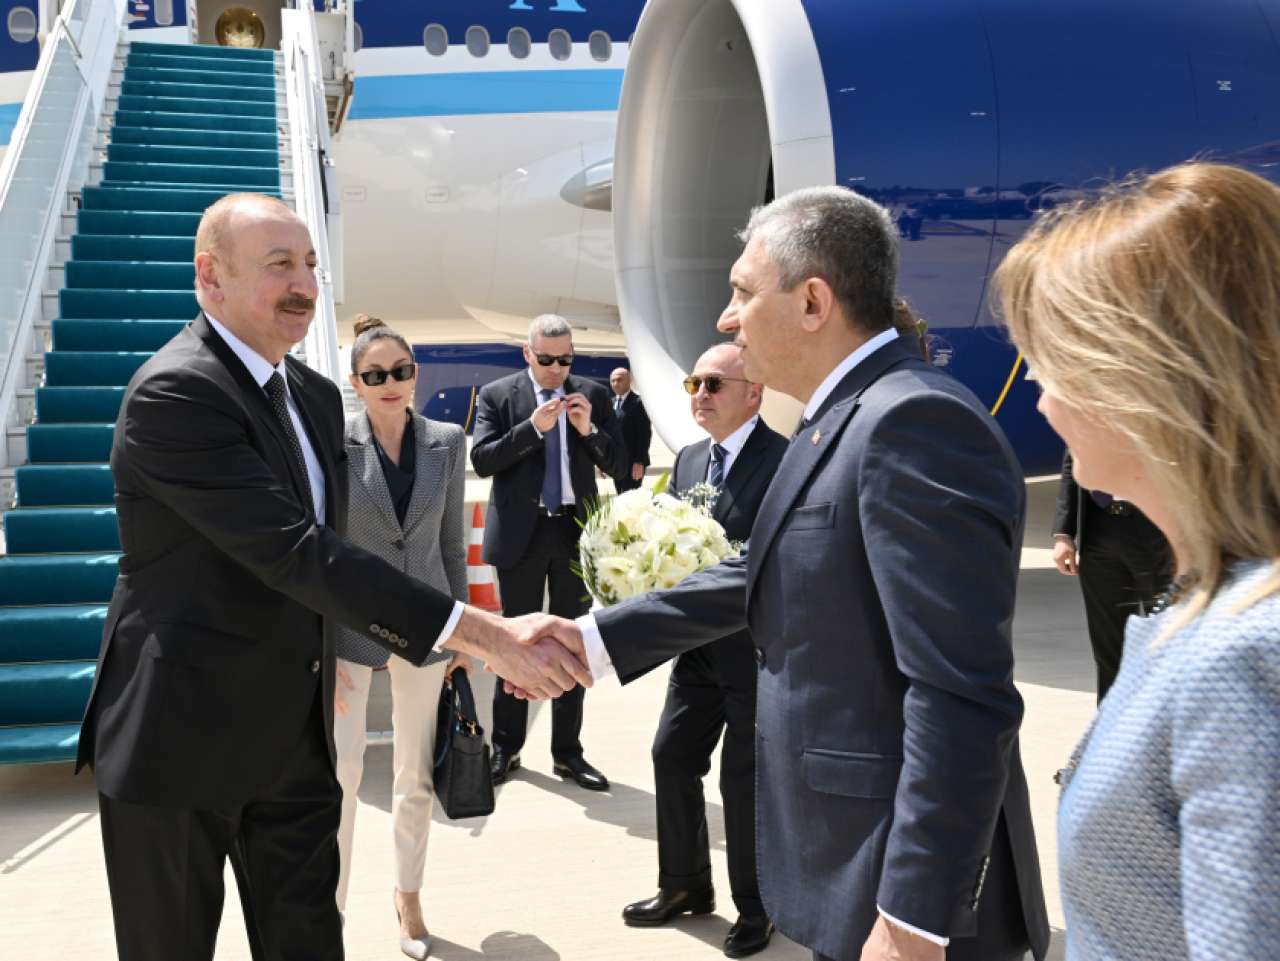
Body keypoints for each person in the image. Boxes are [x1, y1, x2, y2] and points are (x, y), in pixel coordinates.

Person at [518, 187, 1050, 961]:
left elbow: (960, 694)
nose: (725, 318)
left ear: (812, 302)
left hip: (907, 898)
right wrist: (591, 640)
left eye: (742, 291)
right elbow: (759, 569)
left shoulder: (913, 422)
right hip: (853, 866)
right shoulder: (838, 418)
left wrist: (914, 916)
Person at [75, 193, 590, 961]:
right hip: (180, 741)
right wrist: (483, 634)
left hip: (292, 744)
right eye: (279, 264)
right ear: (210, 276)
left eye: (311, 263)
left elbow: (338, 555)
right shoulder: (176, 392)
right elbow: (296, 553)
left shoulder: (313, 398)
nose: (304, 284)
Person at [996, 161, 1280, 961]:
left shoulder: (1244, 655)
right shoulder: (1208, 608)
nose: (1042, 401)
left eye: (1051, 365)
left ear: (1142, 381)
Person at [621, 343, 787, 959]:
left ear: (754, 393)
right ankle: (685, 885)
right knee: (671, 754)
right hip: (695, 651)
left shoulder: (782, 461)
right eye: (694, 383)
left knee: (743, 780)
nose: (700, 395)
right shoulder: (690, 459)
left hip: (755, 652)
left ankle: (758, 906)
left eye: (714, 384)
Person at [331, 316, 470, 959]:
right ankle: (329, 909)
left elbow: (451, 545)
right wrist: (318, 642)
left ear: (417, 373)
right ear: (356, 382)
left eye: (402, 371)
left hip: (426, 623)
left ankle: (408, 896)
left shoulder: (447, 440)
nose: (391, 382)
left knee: (414, 772)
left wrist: (463, 632)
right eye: (376, 374)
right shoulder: (335, 444)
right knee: (343, 773)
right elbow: (320, 546)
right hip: (349, 627)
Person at [470, 314, 626, 790]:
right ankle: (506, 747)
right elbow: (482, 460)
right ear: (527, 353)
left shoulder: (592, 395)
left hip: (575, 533)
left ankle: (567, 753)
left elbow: (618, 463)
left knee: (574, 647)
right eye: (547, 359)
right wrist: (533, 429)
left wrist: (588, 430)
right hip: (523, 533)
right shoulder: (498, 395)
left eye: (565, 359)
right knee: (514, 642)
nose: (557, 369)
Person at [1051, 449, 1170, 700]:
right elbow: (1073, 458)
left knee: (1166, 637)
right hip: (1100, 529)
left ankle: (1163, 715)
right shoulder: (1088, 422)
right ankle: (1110, 718)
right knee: (1107, 647)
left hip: (1157, 531)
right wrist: (1064, 533)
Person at [609, 366, 652, 492]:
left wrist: (639, 461)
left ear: (629, 381)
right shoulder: (610, 403)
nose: (615, 383)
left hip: (633, 464)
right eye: (613, 381)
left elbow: (644, 434)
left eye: (619, 380)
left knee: (631, 498)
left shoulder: (639, 403)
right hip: (616, 463)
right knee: (620, 496)